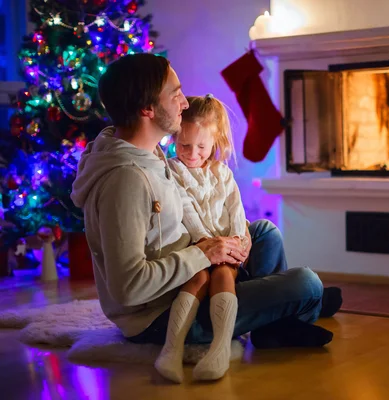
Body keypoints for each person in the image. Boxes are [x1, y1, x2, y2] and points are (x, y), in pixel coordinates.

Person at [70, 54, 342, 383]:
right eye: (176, 94)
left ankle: (275, 319)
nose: (185, 103)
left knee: (262, 233)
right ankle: (287, 312)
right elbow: (128, 288)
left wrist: (230, 240)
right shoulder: (125, 181)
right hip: (163, 314)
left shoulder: (149, 153)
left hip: (195, 274)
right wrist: (205, 252)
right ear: (148, 109)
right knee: (307, 284)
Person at [153, 94, 247, 382]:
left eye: (201, 147)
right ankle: (171, 351)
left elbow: (236, 210)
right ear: (174, 139)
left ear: (214, 142)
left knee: (223, 275)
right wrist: (207, 244)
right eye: (184, 145)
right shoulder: (173, 170)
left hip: (226, 247)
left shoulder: (223, 173)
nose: (192, 153)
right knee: (197, 278)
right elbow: (186, 210)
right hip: (197, 245)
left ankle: (219, 349)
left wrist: (239, 241)